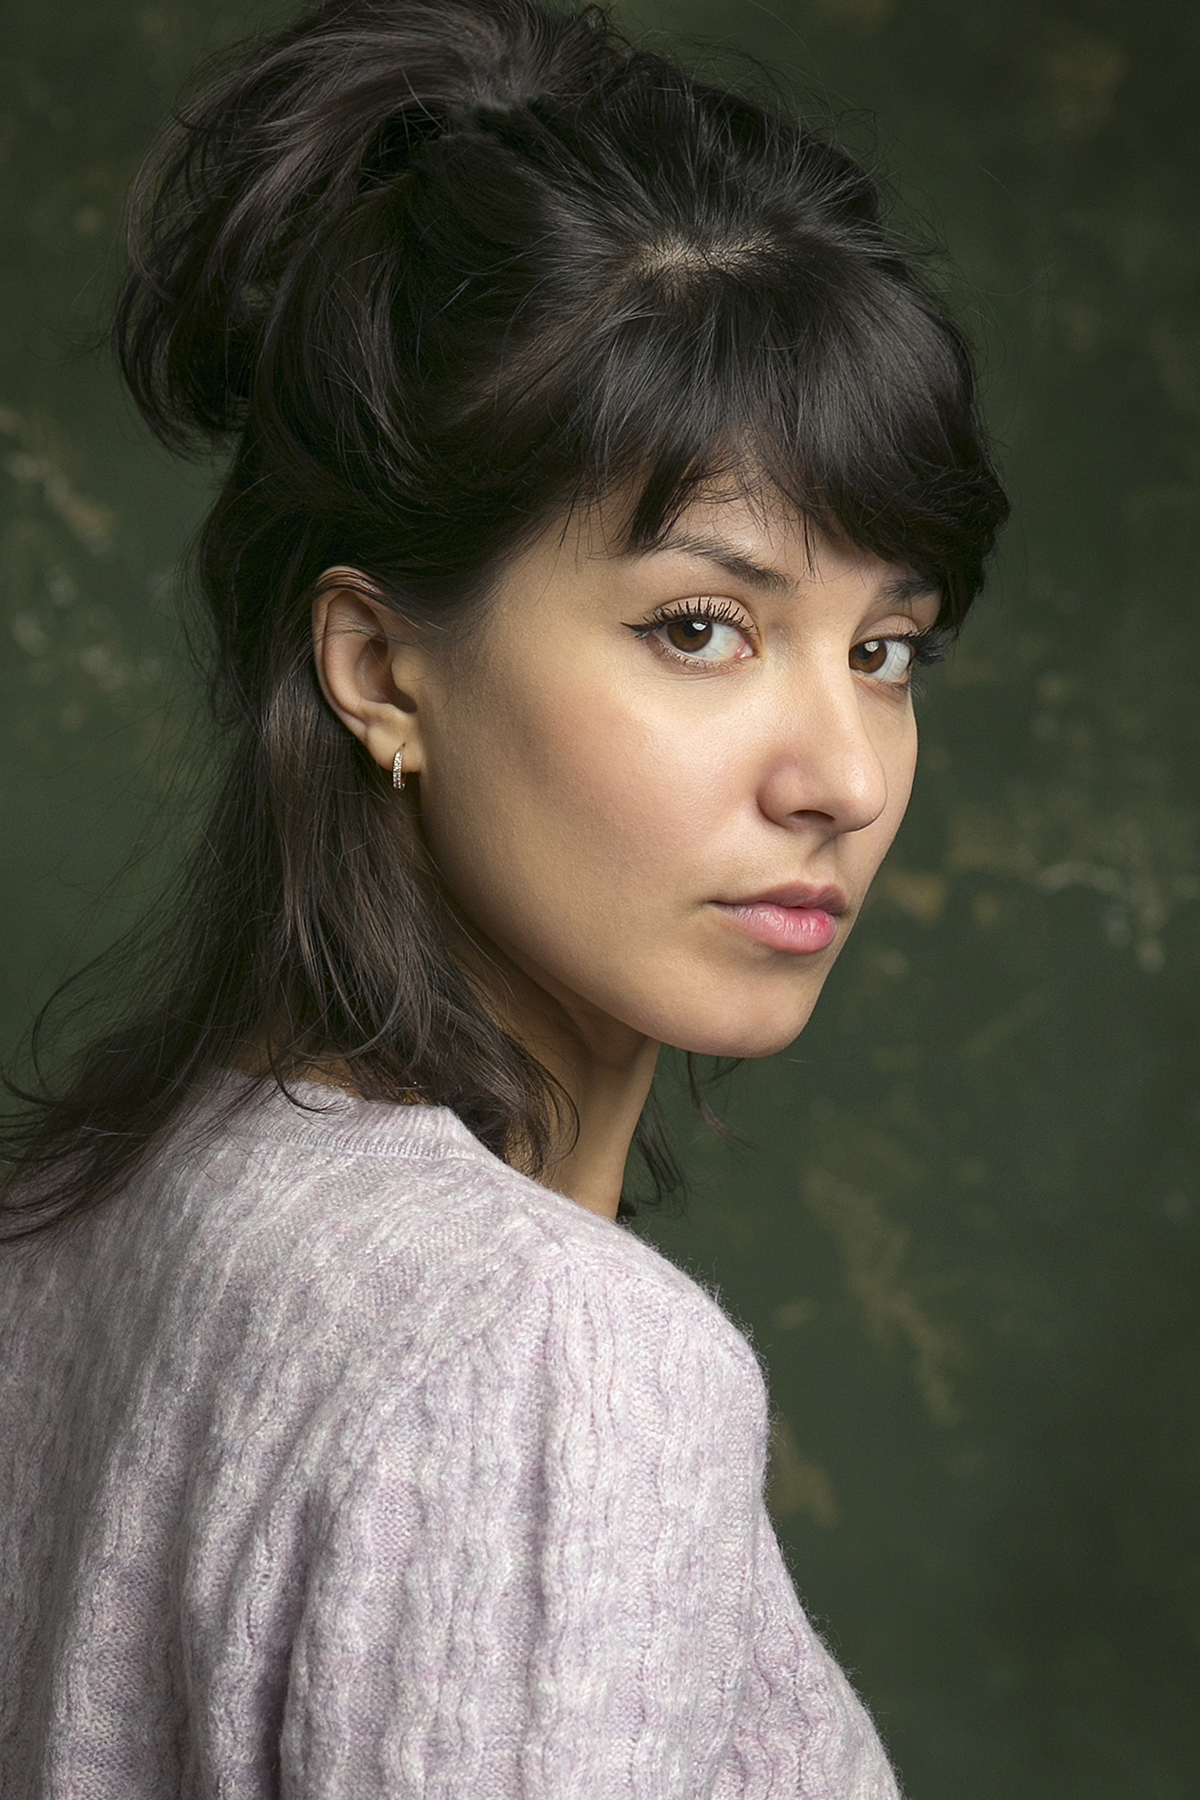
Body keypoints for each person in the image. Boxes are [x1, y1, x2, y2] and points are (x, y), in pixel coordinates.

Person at [0, 0, 1008, 1792]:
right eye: (701, 628)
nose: (843, 778)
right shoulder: (550, 1360)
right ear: (379, 668)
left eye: (885, 650)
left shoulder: (76, 1219)